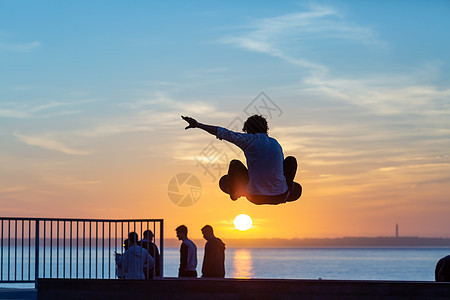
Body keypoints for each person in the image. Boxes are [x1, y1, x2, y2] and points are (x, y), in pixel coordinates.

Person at [182, 115, 302, 205]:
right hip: (280, 196)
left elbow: (223, 132)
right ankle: (288, 191)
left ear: (248, 130)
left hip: (255, 197)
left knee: (230, 172)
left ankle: (236, 193)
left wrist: (198, 125)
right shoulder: (275, 143)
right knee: (291, 160)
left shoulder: (249, 140)